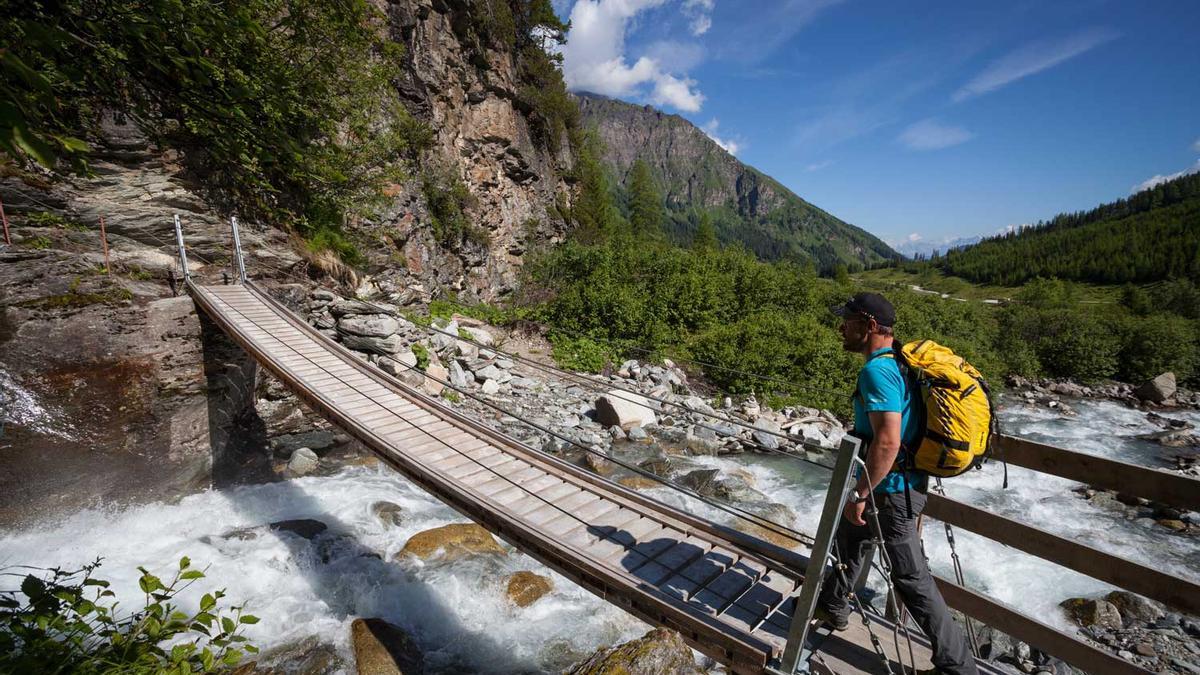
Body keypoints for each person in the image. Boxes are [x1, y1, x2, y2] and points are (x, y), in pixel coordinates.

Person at [815, 292, 977, 675]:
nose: (842, 327)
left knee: (911, 580)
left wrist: (860, 492)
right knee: (849, 541)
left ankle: (957, 667)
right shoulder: (899, 365)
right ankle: (832, 604)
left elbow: (887, 440)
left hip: (890, 493)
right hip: (900, 485)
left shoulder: (877, 371)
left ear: (869, 325)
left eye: (848, 320)